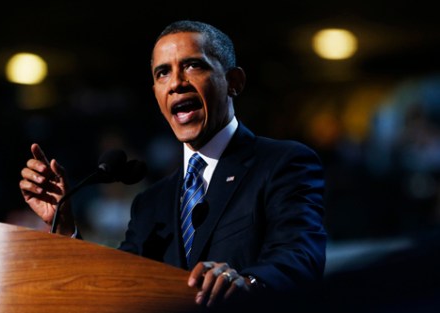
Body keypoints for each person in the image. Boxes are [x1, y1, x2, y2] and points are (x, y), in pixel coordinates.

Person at [19, 20, 327, 311]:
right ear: (155, 93)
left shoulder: (282, 163)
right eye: (162, 73)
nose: (177, 83)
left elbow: (300, 257)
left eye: (193, 65)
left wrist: (247, 283)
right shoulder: (150, 204)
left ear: (234, 82)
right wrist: (64, 227)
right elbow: (112, 288)